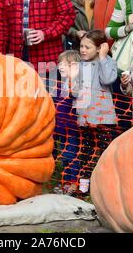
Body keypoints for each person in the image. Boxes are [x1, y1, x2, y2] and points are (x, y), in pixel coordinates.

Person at [70, 29, 117, 195]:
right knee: (86, 150)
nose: (82, 50)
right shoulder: (79, 66)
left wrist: (103, 58)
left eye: (87, 47)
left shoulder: (108, 62)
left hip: (104, 117)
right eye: (81, 46)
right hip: (85, 116)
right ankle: (84, 185)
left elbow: (107, 79)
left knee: (105, 150)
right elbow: (74, 92)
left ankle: (106, 184)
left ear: (99, 48)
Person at [54, 50, 81, 195]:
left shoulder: (75, 85)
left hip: (73, 129)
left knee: (72, 156)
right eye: (60, 64)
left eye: (65, 64)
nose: (60, 67)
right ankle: (65, 182)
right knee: (64, 157)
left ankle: (74, 184)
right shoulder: (60, 85)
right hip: (61, 128)